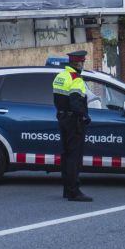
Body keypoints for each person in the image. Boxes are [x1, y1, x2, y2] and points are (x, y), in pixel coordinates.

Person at [52, 50, 92, 202]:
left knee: (66, 155)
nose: (83, 65)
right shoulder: (76, 79)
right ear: (78, 63)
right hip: (74, 121)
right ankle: (74, 191)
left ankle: (67, 190)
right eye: (82, 62)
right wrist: (84, 116)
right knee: (74, 157)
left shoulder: (60, 76)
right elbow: (76, 103)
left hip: (62, 118)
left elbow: (57, 100)